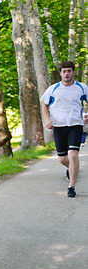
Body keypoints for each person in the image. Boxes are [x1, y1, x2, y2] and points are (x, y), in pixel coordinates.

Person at [40, 60, 88, 198]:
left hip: (75, 125)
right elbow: (44, 104)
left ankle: (71, 187)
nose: (66, 74)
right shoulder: (53, 89)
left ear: (73, 72)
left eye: (69, 71)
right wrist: (48, 120)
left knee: (73, 155)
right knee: (62, 159)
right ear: (60, 73)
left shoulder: (82, 88)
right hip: (58, 126)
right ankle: (71, 168)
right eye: (64, 71)